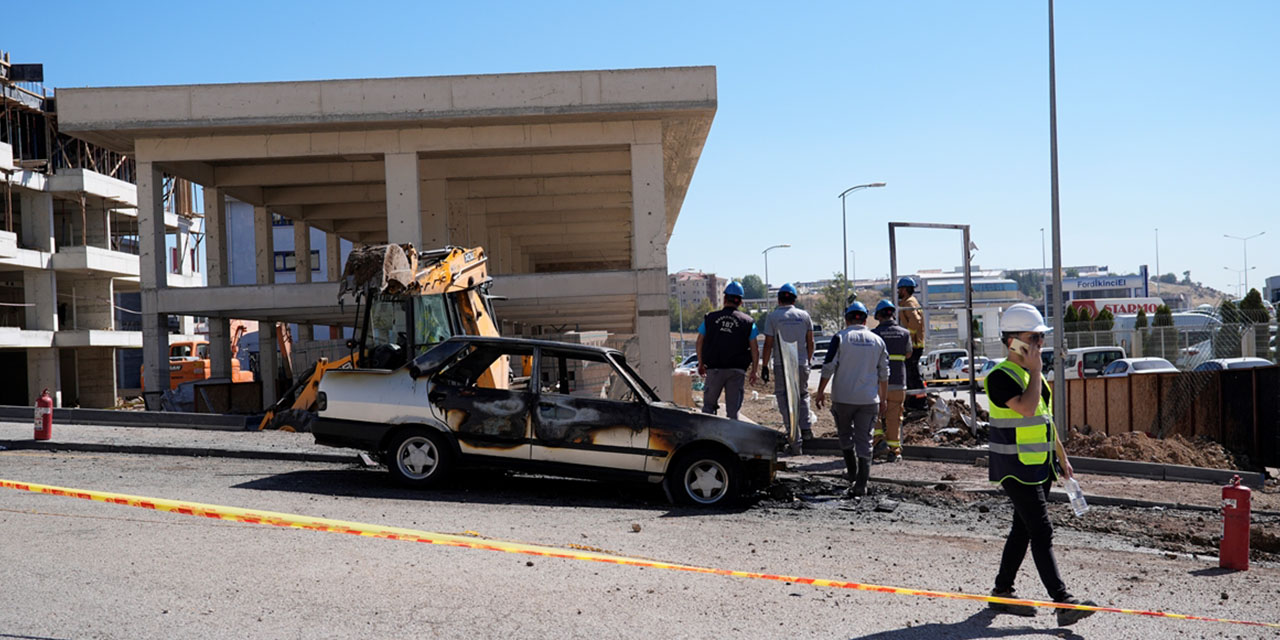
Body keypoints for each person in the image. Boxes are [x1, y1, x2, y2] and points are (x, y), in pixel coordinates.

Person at [984, 303, 1096, 627]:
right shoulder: (1000, 377)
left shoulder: (1031, 375)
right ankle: (1063, 602)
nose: (1039, 344)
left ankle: (1001, 590)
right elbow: (1029, 409)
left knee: (1022, 529)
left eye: (1041, 338)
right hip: (1014, 467)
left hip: (1038, 463)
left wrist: (1061, 456)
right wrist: (1035, 371)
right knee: (1041, 530)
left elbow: (1046, 419)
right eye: (1033, 338)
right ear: (1012, 341)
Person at [814, 301, 888, 496]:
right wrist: (884, 398)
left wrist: (821, 390)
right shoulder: (877, 341)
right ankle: (861, 484)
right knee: (865, 439)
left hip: (843, 398)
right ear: (865, 319)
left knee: (845, 436)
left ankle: (853, 474)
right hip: (869, 400)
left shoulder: (840, 337)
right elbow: (884, 374)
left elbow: (828, 366)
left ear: (847, 318)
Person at [759, 283, 815, 449]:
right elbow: (810, 341)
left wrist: (764, 366)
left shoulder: (773, 317)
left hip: (782, 364)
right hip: (801, 363)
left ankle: (793, 433)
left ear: (779, 299)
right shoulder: (804, 316)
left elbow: (768, 344)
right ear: (794, 299)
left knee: (784, 397)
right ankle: (806, 429)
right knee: (803, 395)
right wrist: (808, 360)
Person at [695, 281, 759, 419]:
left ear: (724, 299)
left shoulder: (710, 318)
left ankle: (707, 438)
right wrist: (754, 370)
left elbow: (699, 341)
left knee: (708, 409)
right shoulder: (748, 322)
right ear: (740, 302)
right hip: (737, 371)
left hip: (714, 370)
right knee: (733, 412)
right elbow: (754, 348)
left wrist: (701, 363)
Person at [871, 299, 912, 462]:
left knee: (874, 415)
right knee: (894, 417)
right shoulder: (905, 333)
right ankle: (894, 451)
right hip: (898, 382)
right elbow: (908, 354)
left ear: (878, 316)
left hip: (878, 384)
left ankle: (879, 441)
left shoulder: (874, 334)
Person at [897, 277, 927, 410]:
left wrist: (906, 335)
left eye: (900, 289)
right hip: (915, 344)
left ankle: (920, 403)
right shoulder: (908, 302)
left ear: (905, 289)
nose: (898, 291)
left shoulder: (909, 303)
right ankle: (915, 402)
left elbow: (915, 321)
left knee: (913, 375)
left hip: (913, 345)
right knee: (911, 374)